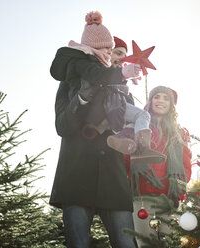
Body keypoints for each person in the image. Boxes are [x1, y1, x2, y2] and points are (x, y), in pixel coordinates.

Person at [48, 10, 152, 247]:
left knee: (126, 243)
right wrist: (83, 97)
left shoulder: (121, 92)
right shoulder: (71, 82)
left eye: (119, 55)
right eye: (112, 52)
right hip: (76, 174)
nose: (114, 57)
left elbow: (128, 127)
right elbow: (62, 126)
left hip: (112, 179)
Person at [123, 86, 193, 246]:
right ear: (150, 100)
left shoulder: (179, 133)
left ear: (171, 105)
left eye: (165, 98)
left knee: (171, 244)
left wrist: (177, 189)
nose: (160, 101)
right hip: (142, 200)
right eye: (157, 97)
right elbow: (125, 162)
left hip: (169, 201)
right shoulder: (137, 128)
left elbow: (186, 166)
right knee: (146, 245)